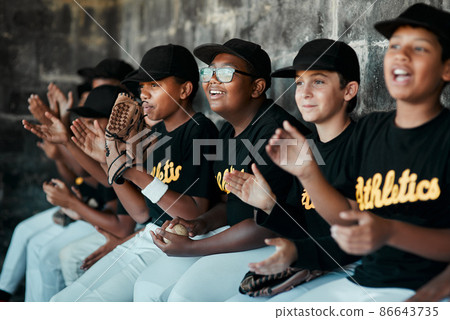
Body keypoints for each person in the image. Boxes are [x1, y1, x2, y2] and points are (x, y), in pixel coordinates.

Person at [262, 3, 450, 301]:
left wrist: (390, 234)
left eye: (420, 48)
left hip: (424, 291)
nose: (401, 55)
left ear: (446, 68)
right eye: (395, 45)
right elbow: (348, 216)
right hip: (366, 281)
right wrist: (308, 173)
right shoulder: (370, 130)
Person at [132, 38, 310, 302]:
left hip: (275, 244)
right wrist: (199, 223)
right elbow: (229, 201)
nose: (212, 80)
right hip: (233, 235)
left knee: (184, 297)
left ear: (257, 87)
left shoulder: (276, 134)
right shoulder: (226, 131)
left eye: (225, 73)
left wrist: (195, 247)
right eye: (209, 72)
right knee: (147, 288)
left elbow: (267, 224)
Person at [51, 44, 220, 302]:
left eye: (155, 86)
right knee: (60, 302)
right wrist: (111, 164)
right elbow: (141, 212)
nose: (144, 94)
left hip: (179, 241)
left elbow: (193, 212)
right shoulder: (155, 135)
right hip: (148, 236)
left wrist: (128, 169)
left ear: (185, 90)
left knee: (86, 304)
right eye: (142, 87)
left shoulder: (200, 130)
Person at [224, 39, 362, 301]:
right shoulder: (304, 145)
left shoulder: (364, 145)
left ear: (349, 90)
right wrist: (269, 204)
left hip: (350, 269)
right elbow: (305, 228)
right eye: (299, 82)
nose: (304, 92)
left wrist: (299, 253)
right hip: (315, 260)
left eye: (318, 81)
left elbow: (358, 235)